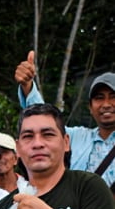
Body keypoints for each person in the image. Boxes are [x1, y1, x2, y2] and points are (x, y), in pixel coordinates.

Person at [14, 52, 115, 188]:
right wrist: (27, 86)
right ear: (90, 107)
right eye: (99, 98)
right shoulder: (76, 137)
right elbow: (44, 119)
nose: (106, 104)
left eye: (113, 96)